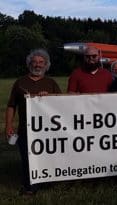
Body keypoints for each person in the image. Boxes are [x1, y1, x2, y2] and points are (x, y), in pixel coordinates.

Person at [5, 49, 62, 195]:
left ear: (46, 65)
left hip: (48, 131)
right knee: (27, 159)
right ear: (29, 63)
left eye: (41, 62)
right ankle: (29, 187)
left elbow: (62, 105)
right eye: (35, 62)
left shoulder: (51, 82)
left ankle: (47, 182)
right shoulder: (20, 82)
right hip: (25, 130)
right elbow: (11, 106)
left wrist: (49, 98)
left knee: (46, 158)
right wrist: (9, 125)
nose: (37, 65)